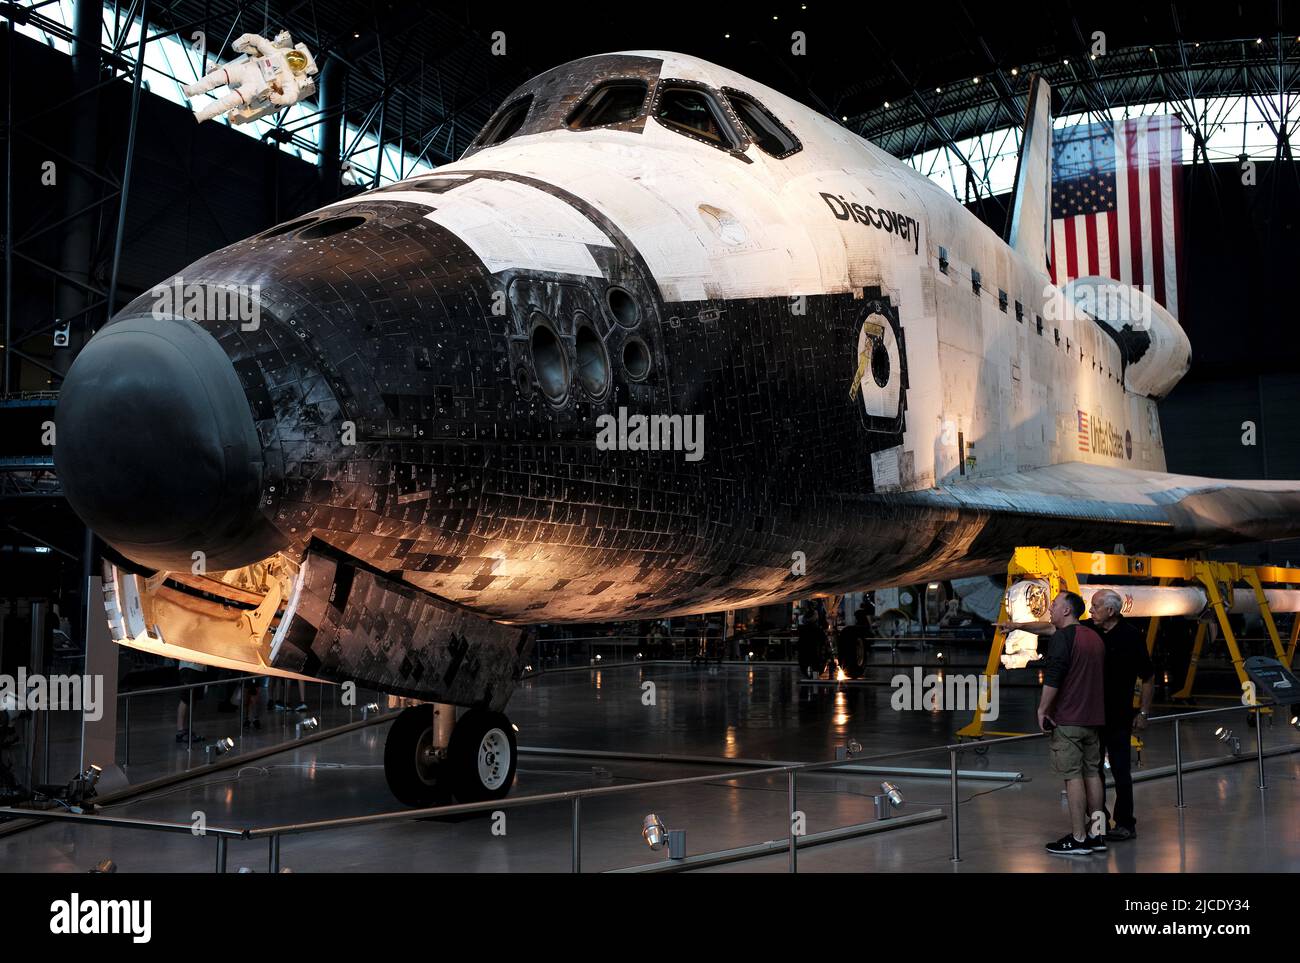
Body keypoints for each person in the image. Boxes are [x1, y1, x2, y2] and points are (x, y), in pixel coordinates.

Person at [1035, 591, 1107, 856]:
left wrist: (1043, 709)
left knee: (1073, 776)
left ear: (1067, 611)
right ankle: (1097, 834)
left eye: (1054, 606)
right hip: (1094, 719)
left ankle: (1077, 839)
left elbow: (1054, 676)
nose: (1050, 610)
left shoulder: (1063, 638)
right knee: (1093, 774)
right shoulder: (1094, 637)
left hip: (1069, 720)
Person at [1085, 589, 1154, 841]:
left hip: (1119, 716)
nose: (1090, 611)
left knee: (1120, 770)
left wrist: (1143, 712)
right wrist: (1017, 626)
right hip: (1091, 715)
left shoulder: (1132, 636)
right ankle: (1098, 820)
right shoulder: (1088, 629)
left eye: (1095, 606)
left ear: (1110, 611)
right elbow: (1056, 629)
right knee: (1093, 770)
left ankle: (1126, 822)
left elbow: (1147, 677)